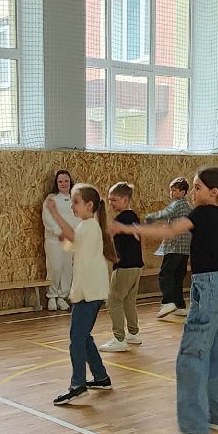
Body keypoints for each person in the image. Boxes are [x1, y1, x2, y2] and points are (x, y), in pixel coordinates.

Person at [110, 167, 218, 434]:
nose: (193, 192)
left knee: (190, 358)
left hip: (209, 287)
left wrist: (128, 228)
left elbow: (169, 231)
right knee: (216, 356)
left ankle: (195, 430)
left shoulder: (202, 214)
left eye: (197, 188)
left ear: (214, 192)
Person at [53, 184, 115, 405]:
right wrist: (65, 240)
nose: (72, 206)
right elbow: (74, 244)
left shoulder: (89, 225)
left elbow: (73, 236)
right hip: (88, 290)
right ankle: (101, 377)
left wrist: (54, 212)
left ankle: (77, 385)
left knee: (77, 338)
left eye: (75, 202)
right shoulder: (87, 226)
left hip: (90, 292)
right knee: (84, 336)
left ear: (90, 205)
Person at [99, 182, 144, 353]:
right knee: (129, 300)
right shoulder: (133, 217)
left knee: (113, 300)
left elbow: (108, 234)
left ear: (125, 200)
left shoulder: (121, 220)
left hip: (125, 266)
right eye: (109, 200)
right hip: (136, 266)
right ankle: (133, 333)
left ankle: (119, 338)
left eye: (114, 200)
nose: (111, 203)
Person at [146, 176, 192, 318]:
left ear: (183, 192)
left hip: (175, 246)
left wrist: (151, 217)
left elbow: (166, 213)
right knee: (178, 276)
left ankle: (168, 302)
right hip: (185, 248)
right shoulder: (188, 206)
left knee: (165, 275)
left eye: (174, 190)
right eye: (170, 190)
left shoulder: (177, 204)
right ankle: (180, 305)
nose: (171, 193)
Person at [42, 169, 78, 310]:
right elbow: (47, 217)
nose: (63, 184)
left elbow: (78, 217)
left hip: (70, 240)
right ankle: (52, 296)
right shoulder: (51, 198)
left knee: (67, 268)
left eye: (66, 181)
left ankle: (62, 296)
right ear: (56, 183)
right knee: (55, 267)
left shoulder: (75, 198)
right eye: (60, 181)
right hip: (54, 239)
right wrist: (58, 232)